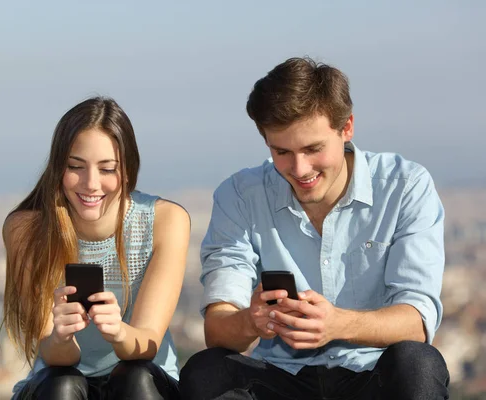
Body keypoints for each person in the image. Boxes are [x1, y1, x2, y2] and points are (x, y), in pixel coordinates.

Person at [180, 57, 450, 399]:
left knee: (419, 363)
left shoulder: (405, 186)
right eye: (282, 152)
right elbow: (218, 330)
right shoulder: (240, 196)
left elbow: (417, 321)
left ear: (347, 127)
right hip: (279, 379)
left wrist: (337, 324)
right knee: (205, 371)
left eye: (313, 149)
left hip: (372, 376)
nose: (299, 168)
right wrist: (251, 320)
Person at [2, 96, 190, 400]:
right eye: (76, 166)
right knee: (61, 385)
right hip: (59, 382)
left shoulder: (165, 220)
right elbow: (50, 353)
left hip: (142, 380)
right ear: (58, 168)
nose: (91, 184)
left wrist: (118, 332)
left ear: (127, 170)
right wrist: (62, 337)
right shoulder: (26, 229)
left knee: (136, 376)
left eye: (107, 169)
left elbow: (147, 343)